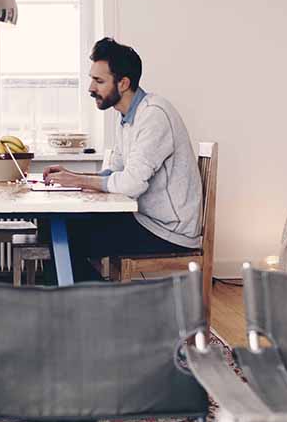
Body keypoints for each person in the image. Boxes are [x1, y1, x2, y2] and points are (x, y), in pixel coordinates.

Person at [43, 37, 203, 282]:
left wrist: (76, 179)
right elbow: (114, 172)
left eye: (99, 81)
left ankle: (91, 309)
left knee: (64, 236)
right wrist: (74, 177)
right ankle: (89, 307)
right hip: (145, 218)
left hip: (167, 230)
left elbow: (131, 184)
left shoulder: (153, 116)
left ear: (124, 83)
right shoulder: (128, 117)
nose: (90, 88)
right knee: (54, 227)